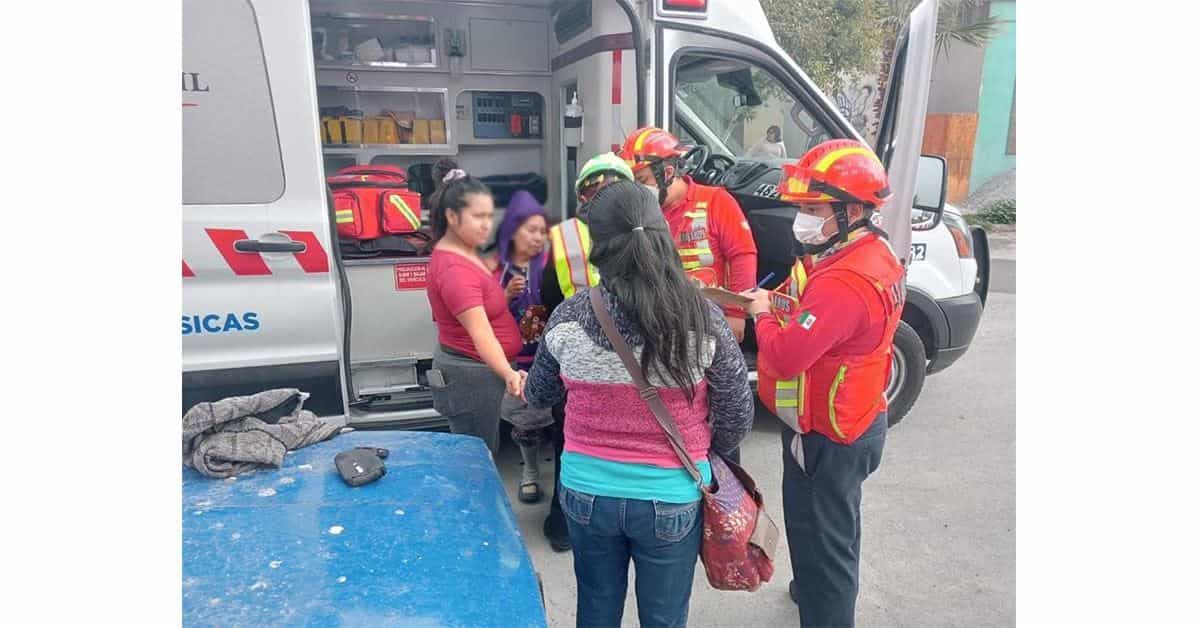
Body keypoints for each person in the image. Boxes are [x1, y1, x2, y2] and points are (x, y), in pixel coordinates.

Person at [524, 180, 754, 628]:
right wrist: (702, 447)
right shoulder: (703, 319)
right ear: (661, 234)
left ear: (598, 245)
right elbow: (737, 417)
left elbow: (539, 396)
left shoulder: (570, 315)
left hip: (587, 493)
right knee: (664, 618)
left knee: (595, 609)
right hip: (671, 495)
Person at [739, 139, 903, 628]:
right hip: (853, 418)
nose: (802, 219)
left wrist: (762, 316)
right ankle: (810, 589)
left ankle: (827, 610)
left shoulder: (845, 281)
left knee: (824, 536)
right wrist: (778, 301)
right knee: (827, 525)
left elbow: (787, 356)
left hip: (829, 435)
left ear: (853, 209)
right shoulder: (863, 251)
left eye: (813, 209)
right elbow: (812, 309)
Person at [536, 152, 636, 552]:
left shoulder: (562, 237)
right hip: (640, 361)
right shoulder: (648, 231)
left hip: (576, 360)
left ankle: (564, 527)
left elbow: (546, 299)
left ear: (582, 196)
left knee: (573, 440)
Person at [618, 126, 758, 342]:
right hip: (654, 323)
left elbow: (742, 255)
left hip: (708, 320)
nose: (637, 189)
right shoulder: (637, 212)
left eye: (642, 181)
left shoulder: (716, 201)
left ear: (667, 173)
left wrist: (737, 312)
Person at [425, 159, 524, 455]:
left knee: (481, 454)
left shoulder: (464, 253)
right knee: (476, 461)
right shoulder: (456, 269)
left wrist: (504, 296)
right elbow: (480, 332)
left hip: (477, 373)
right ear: (453, 217)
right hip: (472, 379)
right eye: (478, 216)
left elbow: (479, 310)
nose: (487, 224)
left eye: (489, 216)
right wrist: (508, 373)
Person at [486, 189, 554, 503]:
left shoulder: (553, 265)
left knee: (554, 416)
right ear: (513, 230)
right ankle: (529, 471)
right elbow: (479, 315)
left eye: (543, 231)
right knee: (523, 421)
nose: (539, 237)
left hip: (548, 357)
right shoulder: (494, 268)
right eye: (531, 230)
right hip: (513, 359)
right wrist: (507, 296)